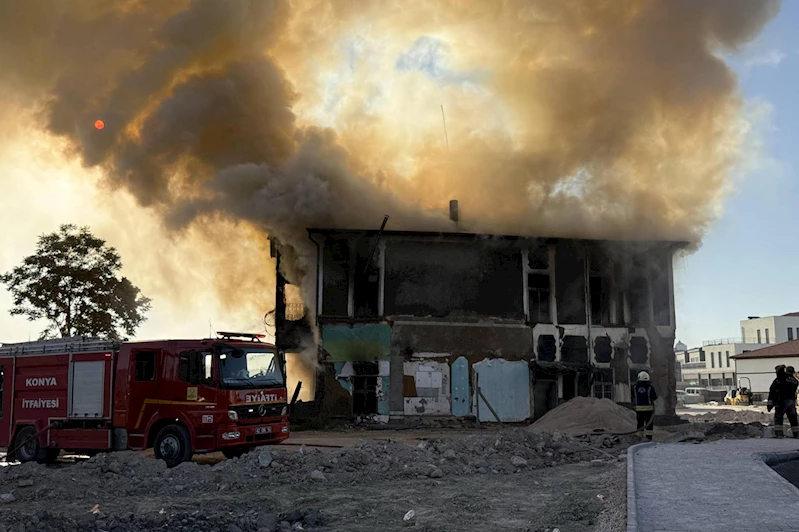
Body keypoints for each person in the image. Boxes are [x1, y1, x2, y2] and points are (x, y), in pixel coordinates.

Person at [633, 371, 657, 441]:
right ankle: (648, 438)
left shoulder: (634, 387)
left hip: (639, 410)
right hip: (649, 410)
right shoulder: (650, 387)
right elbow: (654, 397)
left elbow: (633, 396)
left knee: (640, 423)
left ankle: (639, 438)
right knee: (649, 424)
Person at [768, 365, 788, 437]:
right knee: (793, 418)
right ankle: (796, 434)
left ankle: (779, 434)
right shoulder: (790, 379)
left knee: (778, 418)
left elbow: (772, 393)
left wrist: (770, 405)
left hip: (780, 403)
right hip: (789, 402)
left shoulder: (777, 381)